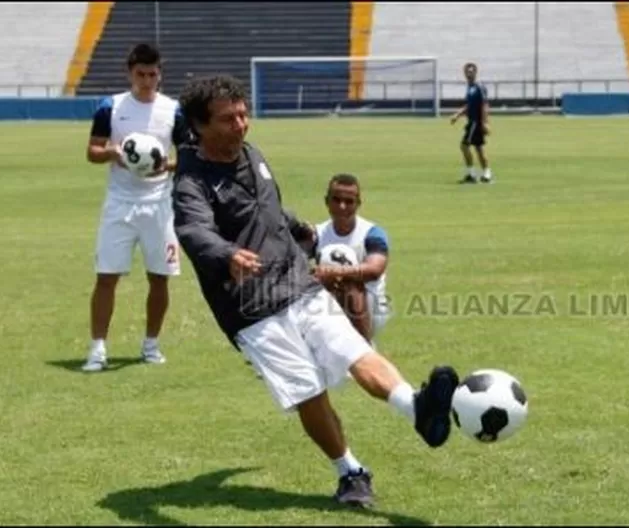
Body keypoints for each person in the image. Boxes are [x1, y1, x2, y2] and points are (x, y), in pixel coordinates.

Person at [171, 74, 460, 507]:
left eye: (244, 114)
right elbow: (193, 229)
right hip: (250, 308)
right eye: (229, 119)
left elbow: (264, 205)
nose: (242, 124)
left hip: (299, 282)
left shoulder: (250, 153)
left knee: (354, 351)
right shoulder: (191, 182)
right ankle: (350, 472)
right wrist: (227, 253)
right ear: (200, 125)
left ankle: (417, 408)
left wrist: (297, 227)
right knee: (308, 389)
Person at [82, 43, 190, 372]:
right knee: (106, 277)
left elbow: (188, 157)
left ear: (160, 74)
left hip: (159, 204)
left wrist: (164, 166)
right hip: (120, 203)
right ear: (130, 73)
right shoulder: (110, 107)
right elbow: (92, 152)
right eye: (141, 74)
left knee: (159, 278)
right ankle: (98, 349)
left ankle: (151, 345)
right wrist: (114, 153)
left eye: (153, 74)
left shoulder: (173, 110)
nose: (147, 80)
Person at [314, 174, 391, 344]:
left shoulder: (372, 233)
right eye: (336, 200)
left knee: (349, 283)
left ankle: (365, 348)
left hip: (370, 305)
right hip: (331, 302)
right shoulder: (317, 233)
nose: (342, 207)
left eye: (349, 201)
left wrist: (333, 272)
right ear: (327, 201)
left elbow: (374, 270)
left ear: (358, 204)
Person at [450, 62, 492, 184]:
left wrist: (485, 122)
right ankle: (486, 174)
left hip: (476, 122)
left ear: (475, 72)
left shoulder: (479, 87)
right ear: (464, 73)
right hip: (472, 122)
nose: (469, 73)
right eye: (467, 71)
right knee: (479, 148)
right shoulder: (470, 87)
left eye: (472, 71)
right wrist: (458, 115)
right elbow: (469, 106)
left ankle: (471, 174)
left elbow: (484, 105)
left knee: (464, 146)